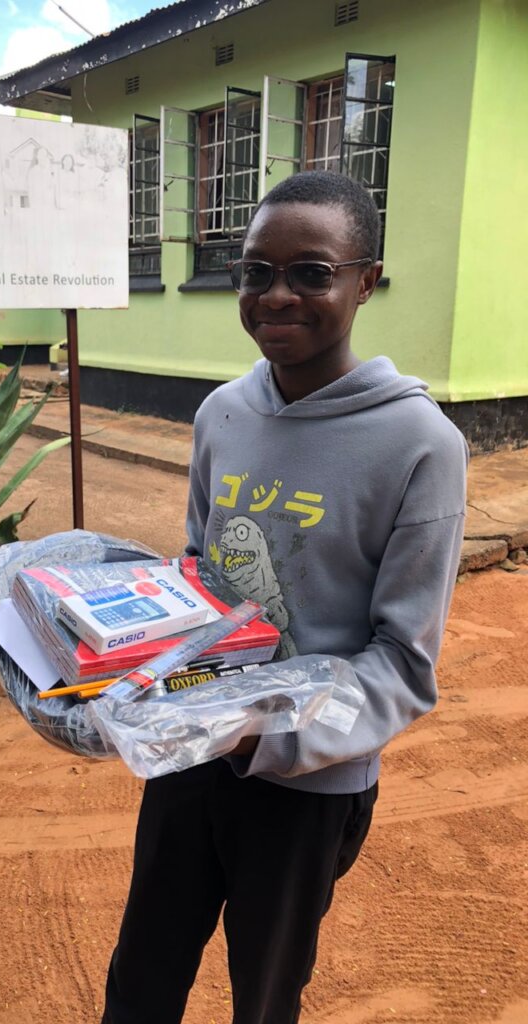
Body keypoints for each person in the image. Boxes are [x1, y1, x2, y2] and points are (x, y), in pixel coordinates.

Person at [101, 171, 468, 1024]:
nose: (277, 295)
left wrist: (261, 731)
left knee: (265, 991)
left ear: (365, 280)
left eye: (312, 272)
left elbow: (402, 663)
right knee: (143, 971)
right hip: (191, 755)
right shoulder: (223, 414)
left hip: (311, 784)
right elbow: (196, 575)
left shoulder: (421, 445)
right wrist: (115, 652)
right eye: (255, 271)